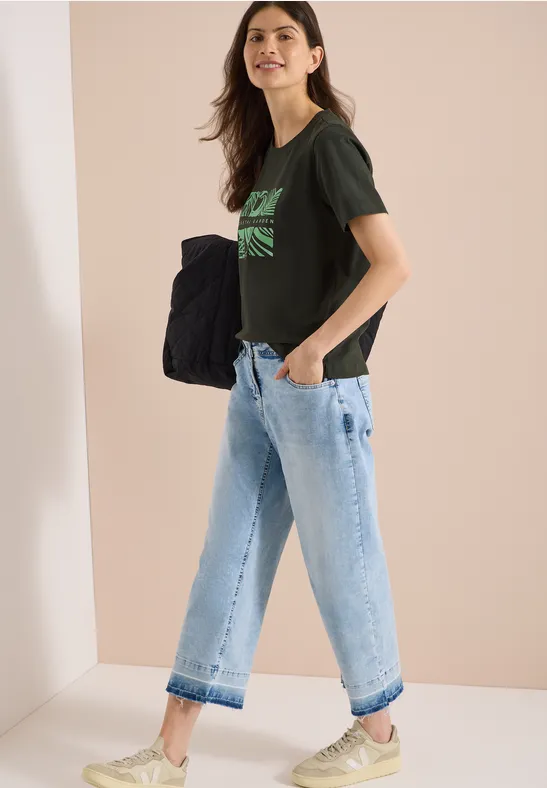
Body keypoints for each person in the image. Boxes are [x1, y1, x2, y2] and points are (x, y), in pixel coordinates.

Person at [81, 2, 412, 787]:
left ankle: (379, 731)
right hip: (254, 384)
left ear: (313, 57)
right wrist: (258, 357)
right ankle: (168, 752)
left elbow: (392, 263)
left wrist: (313, 350)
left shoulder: (328, 145)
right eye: (255, 38)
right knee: (224, 562)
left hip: (315, 389)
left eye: (283, 37)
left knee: (342, 566)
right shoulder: (269, 156)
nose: (267, 48)